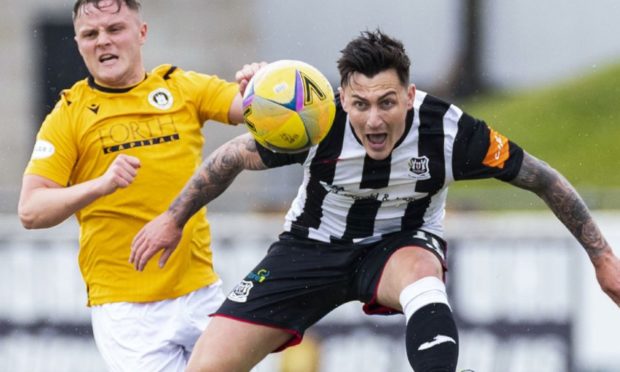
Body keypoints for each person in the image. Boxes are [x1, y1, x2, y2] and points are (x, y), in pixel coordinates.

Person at [129, 30, 620, 371]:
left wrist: (602, 258)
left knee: (422, 276)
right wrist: (174, 218)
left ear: (409, 95)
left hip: (398, 244)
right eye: (360, 105)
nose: (374, 121)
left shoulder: (451, 133)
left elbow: (543, 178)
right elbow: (230, 159)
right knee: (208, 366)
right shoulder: (316, 122)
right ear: (342, 98)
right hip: (309, 247)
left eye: (387, 102)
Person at [17, 0, 245, 371]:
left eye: (115, 29)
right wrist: (99, 185)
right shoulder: (68, 116)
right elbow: (30, 210)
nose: (103, 41)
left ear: (141, 33)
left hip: (201, 292)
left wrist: (265, 83)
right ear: (78, 43)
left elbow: (255, 108)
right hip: (128, 309)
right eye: (91, 34)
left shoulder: (181, 88)